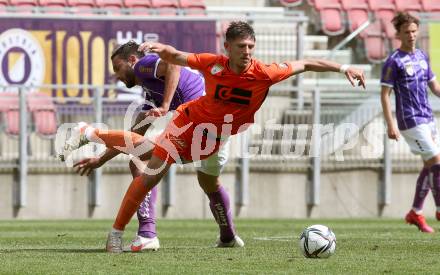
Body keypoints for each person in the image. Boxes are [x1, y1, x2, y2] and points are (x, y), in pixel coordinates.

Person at [62, 21, 365, 252]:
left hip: (216, 136)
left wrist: (344, 67)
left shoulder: (265, 73)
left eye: (250, 46)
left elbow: (304, 64)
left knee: (207, 181)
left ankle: (227, 236)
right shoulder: (211, 63)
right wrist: (163, 50)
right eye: (241, 46)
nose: (246, 52)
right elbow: (176, 58)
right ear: (227, 47)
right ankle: (121, 229)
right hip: (188, 122)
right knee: (151, 168)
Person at [63, 40, 243, 251]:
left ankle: (147, 233)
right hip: (217, 129)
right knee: (209, 183)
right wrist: (100, 159)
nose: (117, 76)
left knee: (144, 158)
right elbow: (133, 137)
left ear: (131, 60)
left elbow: (173, 64)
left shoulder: (143, 65)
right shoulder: (151, 93)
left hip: (200, 123)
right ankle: (228, 236)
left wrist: (166, 105)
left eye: (117, 68)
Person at [381, 12, 440, 233]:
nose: (412, 35)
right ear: (399, 34)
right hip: (409, 120)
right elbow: (385, 94)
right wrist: (390, 124)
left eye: (414, 31)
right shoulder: (393, 61)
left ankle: (415, 212)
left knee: (429, 165)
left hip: (427, 118)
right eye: (407, 32)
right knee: (436, 160)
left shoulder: (422, 56)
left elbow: (434, 87)